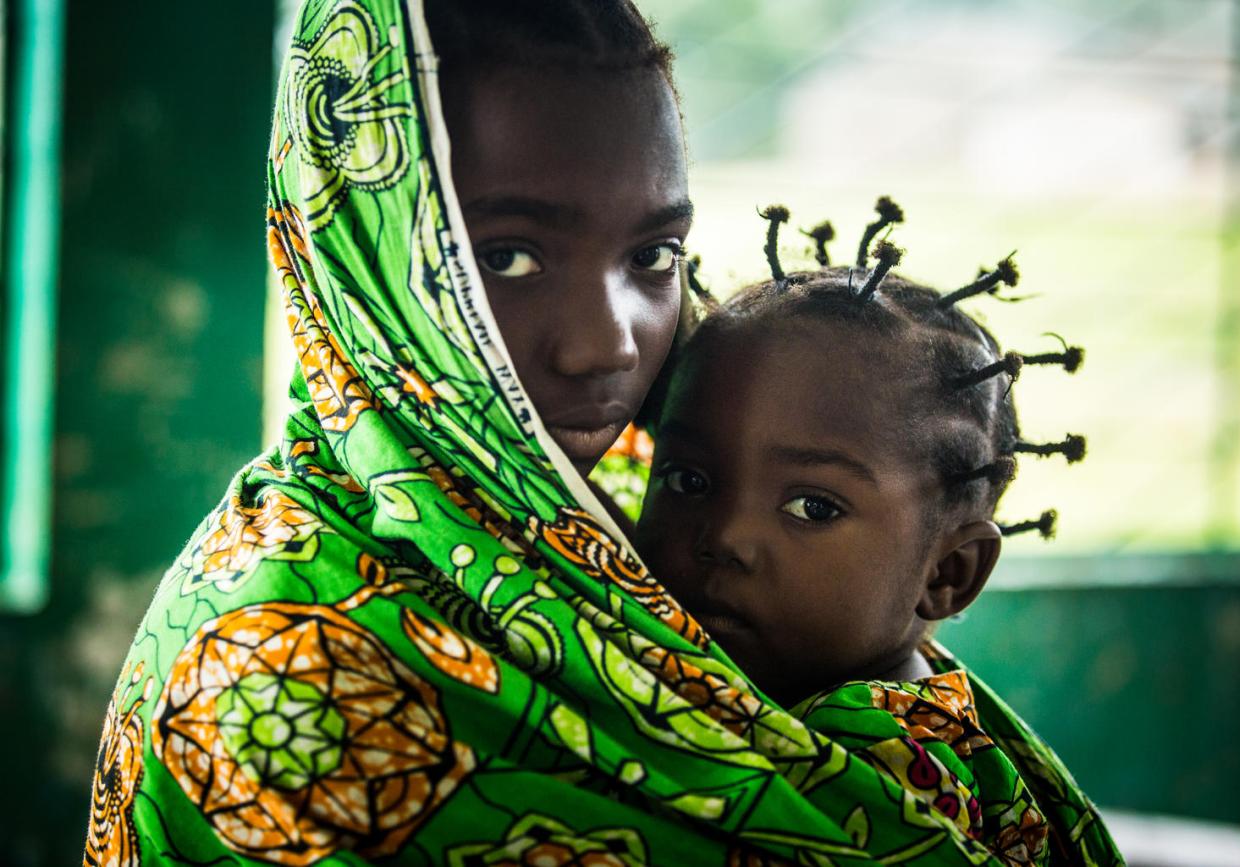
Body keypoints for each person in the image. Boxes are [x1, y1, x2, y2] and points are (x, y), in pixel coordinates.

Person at [84, 1, 1119, 865]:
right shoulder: (278, 667)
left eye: (655, 256)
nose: (605, 345)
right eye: (511, 257)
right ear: (364, 255)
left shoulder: (620, 507)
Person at [634, 201, 1121, 863]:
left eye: (813, 507)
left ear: (948, 571)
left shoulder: (892, 771)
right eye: (689, 481)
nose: (725, 536)